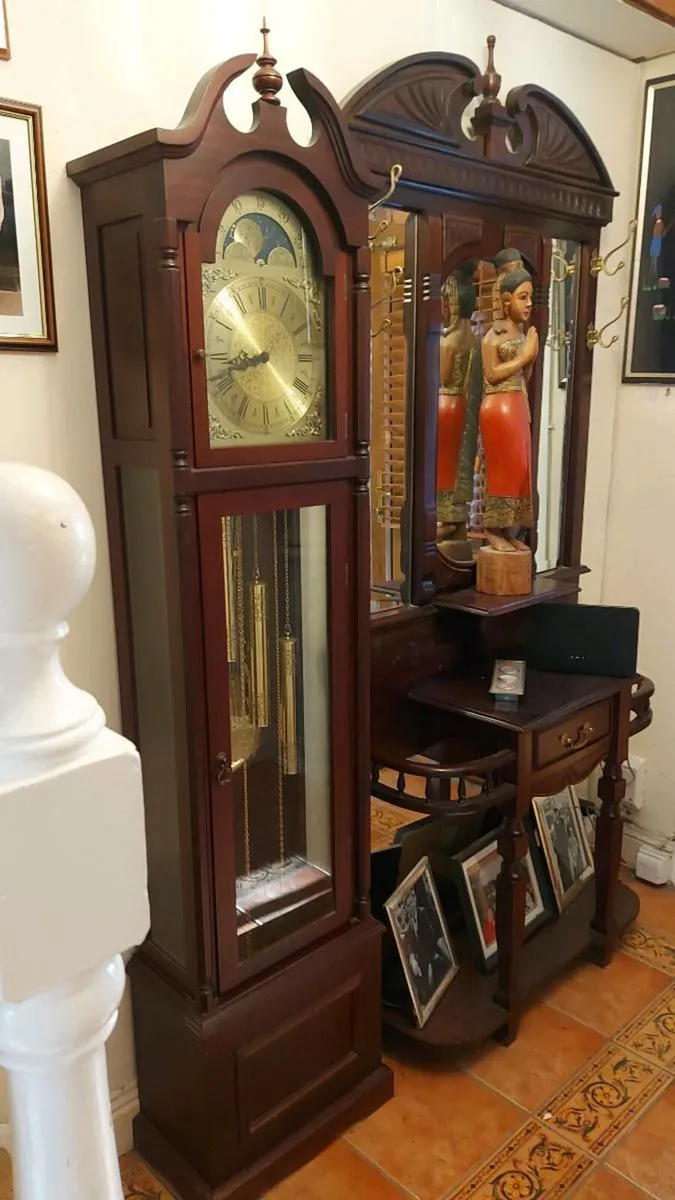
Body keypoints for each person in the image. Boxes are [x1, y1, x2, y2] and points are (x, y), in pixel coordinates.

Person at [480, 268, 539, 553]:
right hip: (498, 407)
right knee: (503, 467)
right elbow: (492, 374)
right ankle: (492, 529)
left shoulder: (522, 332)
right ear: (506, 300)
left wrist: (529, 360)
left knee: (520, 468)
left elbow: (522, 379)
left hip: (517, 403)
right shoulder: (494, 335)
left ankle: (507, 528)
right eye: (522, 297)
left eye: (530, 298)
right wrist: (525, 356)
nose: (529, 304)